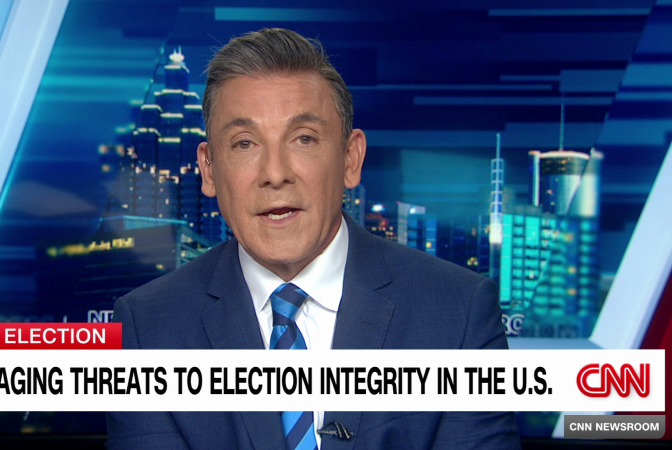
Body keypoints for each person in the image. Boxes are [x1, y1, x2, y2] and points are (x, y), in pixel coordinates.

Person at [107, 28, 520, 450]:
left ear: (350, 159)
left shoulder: (459, 314)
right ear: (209, 170)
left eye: (303, 139)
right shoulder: (148, 328)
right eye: (245, 143)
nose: (275, 173)